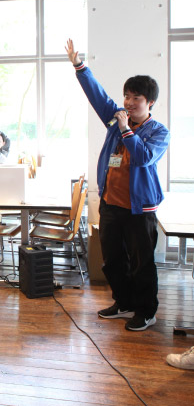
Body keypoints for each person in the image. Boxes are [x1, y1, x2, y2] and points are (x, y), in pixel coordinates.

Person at [66, 39, 169, 332]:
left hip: (139, 209)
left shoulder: (158, 132)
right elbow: (97, 96)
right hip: (111, 205)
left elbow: (143, 158)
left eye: (136, 98)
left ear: (149, 102)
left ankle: (146, 312)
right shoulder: (115, 120)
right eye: (126, 96)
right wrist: (79, 66)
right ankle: (123, 303)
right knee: (111, 261)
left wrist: (126, 130)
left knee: (142, 264)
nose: (128, 102)